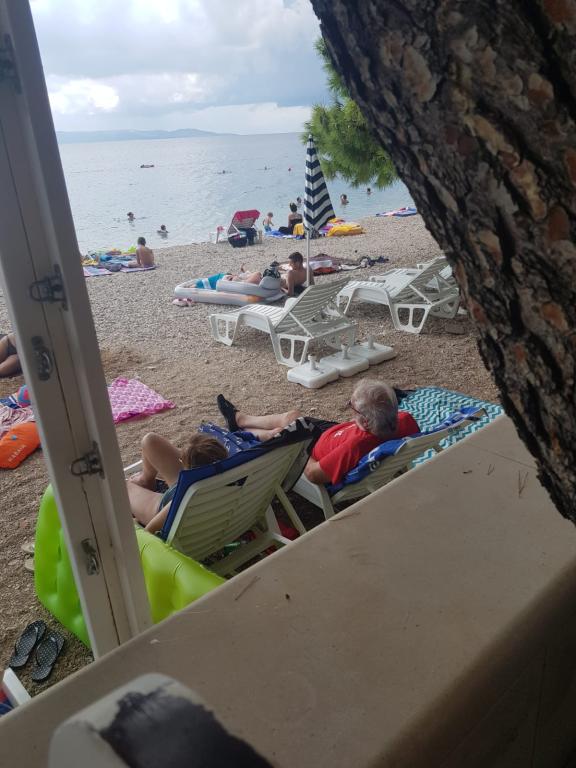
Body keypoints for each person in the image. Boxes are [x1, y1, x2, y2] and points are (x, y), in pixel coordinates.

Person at [217, 380, 420, 487]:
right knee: (292, 417)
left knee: (282, 430)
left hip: (314, 449)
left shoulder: (355, 446)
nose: (349, 409)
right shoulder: (403, 419)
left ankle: (242, 429)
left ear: (366, 422)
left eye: (352, 406)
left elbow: (313, 474)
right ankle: (240, 420)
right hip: (334, 434)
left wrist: (301, 449)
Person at [128, 432, 228, 533]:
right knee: (149, 440)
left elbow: (149, 531)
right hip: (202, 488)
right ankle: (145, 480)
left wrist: (137, 524)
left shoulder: (180, 501)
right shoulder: (231, 474)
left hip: (173, 505)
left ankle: (143, 485)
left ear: (187, 469)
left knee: (125, 487)